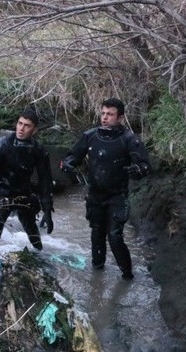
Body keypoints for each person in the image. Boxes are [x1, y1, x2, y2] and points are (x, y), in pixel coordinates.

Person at [61, 97, 151, 279]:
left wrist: (137, 170)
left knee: (115, 236)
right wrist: (68, 164)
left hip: (117, 196)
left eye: (109, 114)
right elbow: (73, 156)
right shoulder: (90, 136)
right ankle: (97, 273)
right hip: (95, 195)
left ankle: (127, 275)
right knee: (97, 232)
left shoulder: (129, 140)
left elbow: (145, 165)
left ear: (120, 118)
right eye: (103, 113)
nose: (104, 117)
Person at [0, 107, 54, 251]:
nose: (21, 128)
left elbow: (45, 180)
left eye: (27, 126)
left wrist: (47, 210)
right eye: (20, 123)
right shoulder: (1, 145)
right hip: (1, 193)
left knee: (32, 230)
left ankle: (40, 254)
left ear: (35, 130)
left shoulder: (38, 150)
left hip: (23, 194)